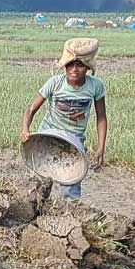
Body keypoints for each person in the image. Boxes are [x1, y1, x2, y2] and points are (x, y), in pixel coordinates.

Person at [21, 38, 108, 200]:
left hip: (74, 138)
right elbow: (31, 109)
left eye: (80, 65)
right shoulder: (55, 83)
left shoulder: (95, 86)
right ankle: (34, 208)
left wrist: (100, 147)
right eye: (70, 64)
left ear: (88, 67)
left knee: (71, 182)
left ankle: (69, 213)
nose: (74, 69)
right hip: (49, 134)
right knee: (41, 178)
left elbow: (101, 118)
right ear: (65, 65)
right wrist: (25, 128)